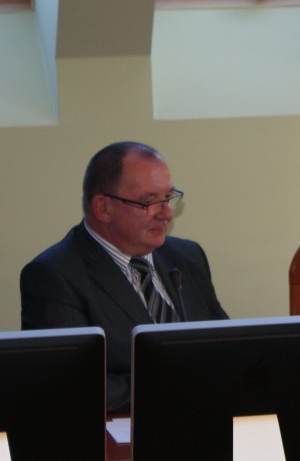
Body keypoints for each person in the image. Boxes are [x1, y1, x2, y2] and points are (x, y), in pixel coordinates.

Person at [20, 141, 228, 413]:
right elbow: (68, 385)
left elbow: (225, 346)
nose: (166, 213)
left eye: (168, 197)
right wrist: (180, 383)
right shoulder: (53, 276)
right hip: (121, 432)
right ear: (103, 208)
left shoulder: (187, 257)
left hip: (207, 420)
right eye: (149, 201)